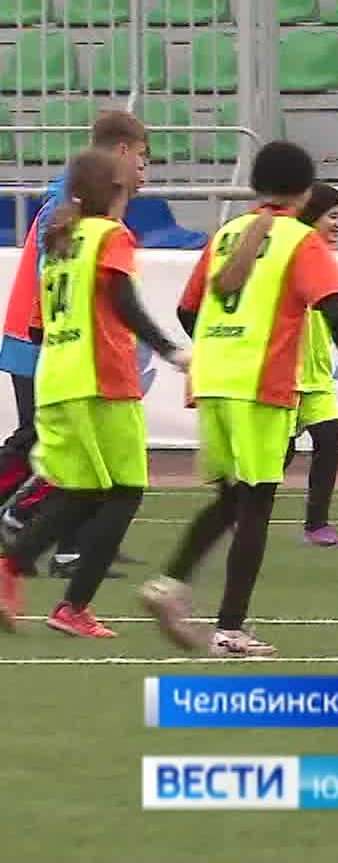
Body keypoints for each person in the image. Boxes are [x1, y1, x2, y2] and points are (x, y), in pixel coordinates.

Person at [137, 141, 338, 658]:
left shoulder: (227, 233)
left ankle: (170, 582)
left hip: (212, 378)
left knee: (231, 497)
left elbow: (187, 310)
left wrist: (221, 346)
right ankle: (230, 629)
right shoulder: (299, 240)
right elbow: (334, 310)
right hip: (260, 382)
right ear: (305, 191)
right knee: (257, 503)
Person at [0, 150, 188, 637]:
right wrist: (170, 350)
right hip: (102, 380)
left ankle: (10, 566)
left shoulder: (61, 241)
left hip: (57, 379)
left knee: (83, 490)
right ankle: (74, 606)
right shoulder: (110, 235)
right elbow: (124, 301)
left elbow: (38, 328)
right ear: (116, 191)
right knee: (125, 490)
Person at [0, 111, 151, 575]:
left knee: (62, 446)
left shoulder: (81, 198)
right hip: (42, 341)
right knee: (40, 443)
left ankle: (77, 543)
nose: (144, 167)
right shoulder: (70, 201)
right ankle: (45, 533)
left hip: (51, 340)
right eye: (142, 156)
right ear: (121, 151)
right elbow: (53, 276)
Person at [285, 184, 338, 547]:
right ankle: (234, 509)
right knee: (278, 455)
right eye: (333, 216)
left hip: (315, 376)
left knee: (330, 437)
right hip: (284, 375)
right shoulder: (292, 255)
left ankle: (317, 526)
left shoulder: (324, 260)